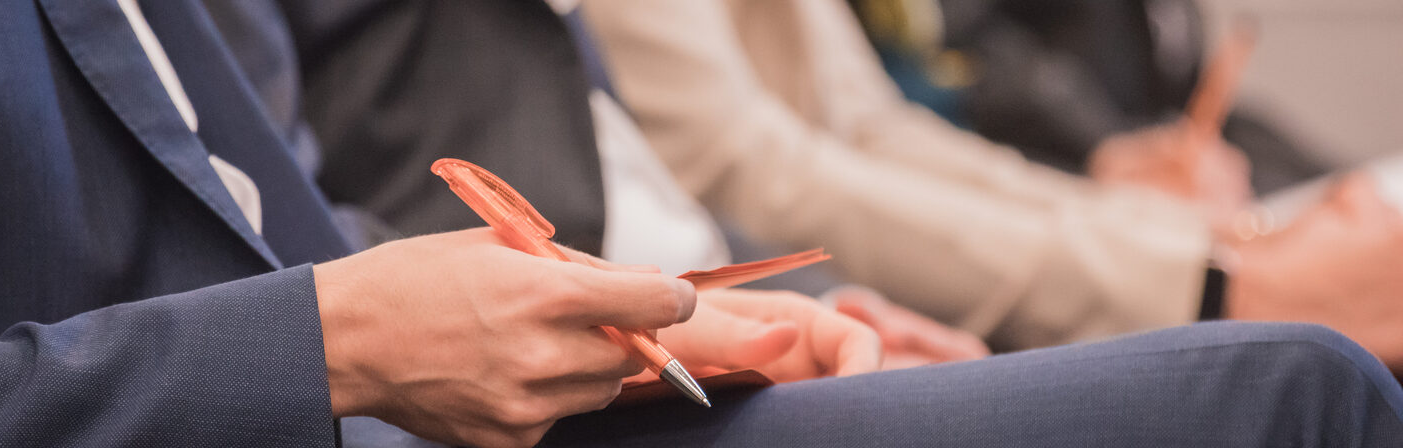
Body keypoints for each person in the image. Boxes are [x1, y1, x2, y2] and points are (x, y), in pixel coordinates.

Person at [0, 1, 1403, 447]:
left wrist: (713, 317)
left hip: (563, 356)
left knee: (1297, 379)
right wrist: (322, 344)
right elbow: (764, 154)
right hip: (325, 407)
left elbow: (283, 217)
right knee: (1284, 385)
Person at [581, 0, 1403, 361]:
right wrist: (1205, 285)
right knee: (1306, 378)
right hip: (762, 308)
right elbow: (750, 172)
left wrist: (1203, 248)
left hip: (857, 285)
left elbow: (871, 126)